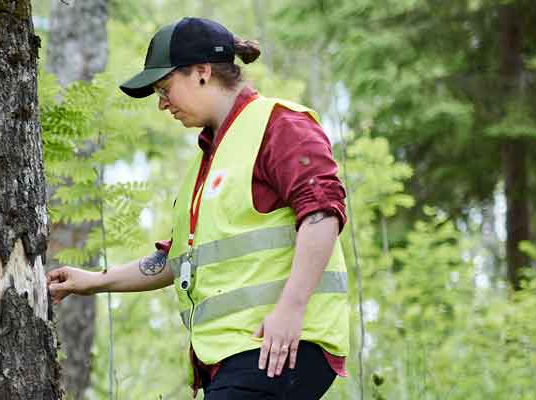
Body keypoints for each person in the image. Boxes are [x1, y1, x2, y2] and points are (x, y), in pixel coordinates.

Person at [45, 17, 352, 399]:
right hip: (234, 356)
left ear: (202, 72)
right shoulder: (207, 162)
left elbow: (322, 214)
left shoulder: (280, 123)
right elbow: (176, 261)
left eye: (164, 88)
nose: (161, 104)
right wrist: (94, 281)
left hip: (279, 346)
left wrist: (290, 310)